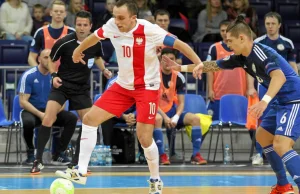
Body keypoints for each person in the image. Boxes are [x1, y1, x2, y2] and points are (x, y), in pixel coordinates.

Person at [55, 1, 204, 193]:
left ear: (134, 18)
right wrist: (77, 50)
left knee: (144, 138)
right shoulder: (111, 25)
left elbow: (180, 44)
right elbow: (94, 37)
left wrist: (199, 62)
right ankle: (80, 171)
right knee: (90, 119)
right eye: (115, 16)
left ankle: (155, 179)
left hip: (147, 88)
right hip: (123, 86)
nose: (116, 21)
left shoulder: (149, 30)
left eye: (121, 18)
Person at [163, 15, 300, 194]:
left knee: (282, 145)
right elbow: (213, 65)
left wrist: (264, 102)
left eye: (230, 41)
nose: (227, 45)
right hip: (279, 101)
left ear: (242, 38)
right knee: (263, 137)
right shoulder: (241, 57)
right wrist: (178, 68)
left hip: (292, 100)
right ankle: (283, 185)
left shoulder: (260, 52)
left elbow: (279, 77)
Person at [30, 10, 112, 174]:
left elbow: (97, 57)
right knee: (48, 118)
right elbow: (52, 60)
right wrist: (53, 76)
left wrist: (104, 70)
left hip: (81, 89)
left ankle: (77, 162)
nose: (81, 28)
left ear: (90, 26)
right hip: (62, 85)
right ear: (75, 25)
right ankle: (38, 160)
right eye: (79, 24)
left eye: (85, 25)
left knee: (89, 123)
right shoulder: (64, 42)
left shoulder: (96, 42)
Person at [18, 49, 78, 169]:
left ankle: (59, 153)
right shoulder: (29, 75)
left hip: (52, 110)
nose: (48, 60)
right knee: (28, 122)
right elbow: (23, 102)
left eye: (51, 58)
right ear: (39, 59)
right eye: (45, 57)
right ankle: (31, 152)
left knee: (71, 118)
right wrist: (40, 114)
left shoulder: (58, 77)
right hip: (33, 111)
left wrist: (52, 113)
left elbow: (63, 101)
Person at [157, 48, 207, 165]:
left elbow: (182, 103)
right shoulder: (153, 75)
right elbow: (151, 102)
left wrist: (176, 116)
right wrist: (165, 117)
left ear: (175, 61)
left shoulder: (179, 77)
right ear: (160, 60)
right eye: (165, 59)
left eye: (172, 59)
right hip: (157, 112)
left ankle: (196, 154)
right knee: (157, 119)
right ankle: (162, 155)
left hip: (172, 111)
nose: (168, 62)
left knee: (195, 119)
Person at [28, 0, 74, 67]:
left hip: (65, 75)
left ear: (65, 14)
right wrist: (39, 73)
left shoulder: (72, 32)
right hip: (46, 74)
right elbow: (31, 57)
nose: (58, 13)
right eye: (56, 11)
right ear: (51, 13)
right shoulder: (41, 32)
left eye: (61, 12)